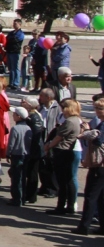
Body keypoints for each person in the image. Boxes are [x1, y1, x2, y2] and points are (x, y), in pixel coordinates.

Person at [44, 98, 82, 215]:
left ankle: (63, 206)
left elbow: (59, 137)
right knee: (67, 179)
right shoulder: (75, 120)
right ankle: (68, 205)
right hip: (67, 151)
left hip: (63, 151)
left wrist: (48, 146)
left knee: (63, 180)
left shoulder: (70, 121)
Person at [73, 95, 104, 235]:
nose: (97, 111)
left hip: (99, 164)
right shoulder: (100, 123)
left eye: (100, 108)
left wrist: (86, 132)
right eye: (96, 108)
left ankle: (84, 226)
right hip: (99, 164)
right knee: (101, 196)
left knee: (91, 195)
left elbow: (98, 141)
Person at [6, 107, 33, 206]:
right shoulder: (28, 128)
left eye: (14, 114)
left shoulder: (15, 128)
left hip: (16, 154)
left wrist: (8, 153)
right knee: (22, 177)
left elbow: (11, 143)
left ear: (19, 116)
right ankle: (22, 197)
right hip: (26, 155)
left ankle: (16, 199)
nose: (13, 116)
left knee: (16, 178)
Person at [4, 19, 25, 91]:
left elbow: (16, 40)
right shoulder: (11, 33)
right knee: (11, 68)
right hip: (9, 51)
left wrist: (11, 39)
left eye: (16, 24)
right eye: (14, 23)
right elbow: (7, 39)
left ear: (19, 24)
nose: (14, 25)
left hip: (15, 52)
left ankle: (16, 83)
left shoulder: (21, 33)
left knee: (16, 68)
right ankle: (11, 82)